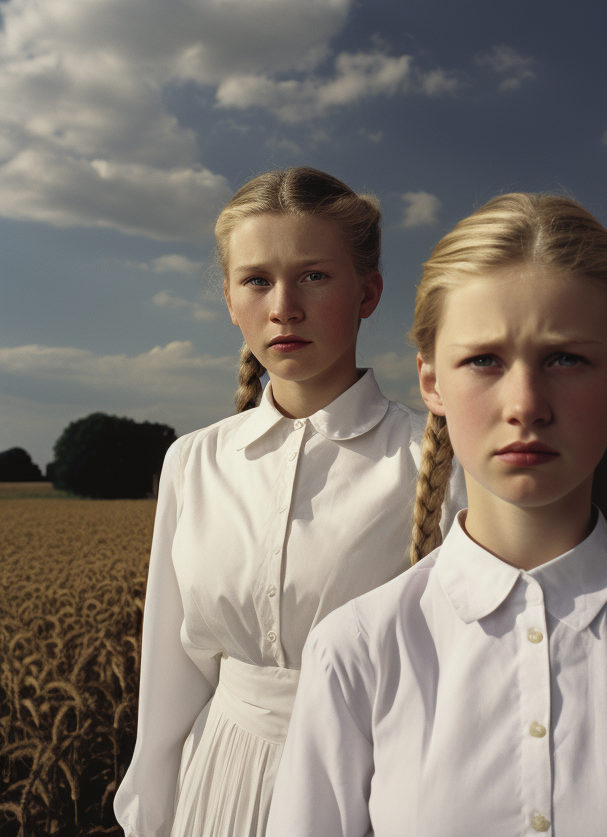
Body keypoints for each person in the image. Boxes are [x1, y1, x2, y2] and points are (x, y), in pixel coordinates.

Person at [266, 193, 607, 837]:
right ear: (431, 382)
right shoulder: (356, 652)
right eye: (483, 360)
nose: (526, 404)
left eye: (565, 359)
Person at [114, 167, 465, 837]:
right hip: (217, 782)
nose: (283, 306)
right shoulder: (193, 462)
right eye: (256, 280)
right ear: (227, 297)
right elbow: (172, 678)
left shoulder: (436, 459)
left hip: (374, 792)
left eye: (313, 276)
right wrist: (148, 820)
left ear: (369, 292)